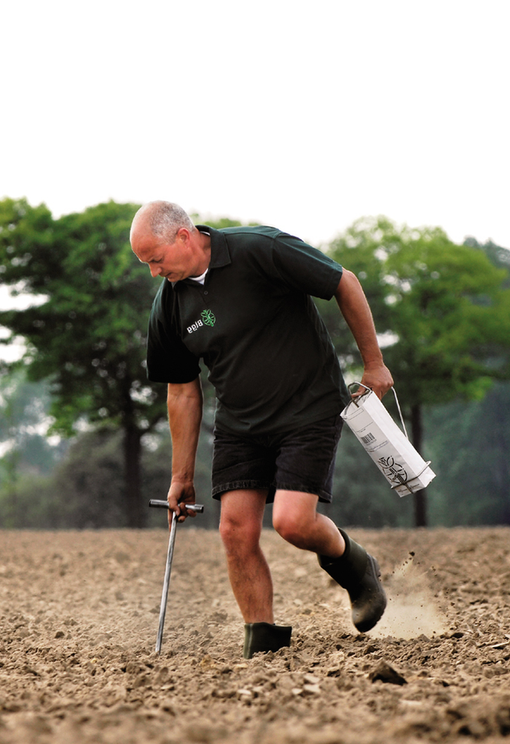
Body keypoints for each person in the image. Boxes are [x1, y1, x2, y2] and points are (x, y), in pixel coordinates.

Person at [131, 200, 395, 658]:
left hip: (307, 408)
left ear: (183, 236)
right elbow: (182, 392)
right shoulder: (170, 306)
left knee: (292, 523)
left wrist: (374, 362)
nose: (154, 273)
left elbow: (343, 282)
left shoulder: (261, 249)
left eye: (156, 260)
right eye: (146, 265)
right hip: (239, 424)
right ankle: (263, 641)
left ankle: (357, 569)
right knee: (235, 531)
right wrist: (181, 475)